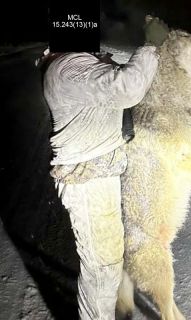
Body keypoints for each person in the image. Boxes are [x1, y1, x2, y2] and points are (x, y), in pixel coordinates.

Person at [38, 35, 161, 319]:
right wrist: (149, 47)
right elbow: (128, 87)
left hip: (98, 174)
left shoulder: (78, 62)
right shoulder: (70, 66)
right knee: (102, 268)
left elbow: (129, 79)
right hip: (88, 179)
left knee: (106, 262)